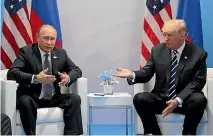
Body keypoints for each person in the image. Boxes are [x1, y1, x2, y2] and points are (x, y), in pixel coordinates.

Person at [114, 19, 207, 135]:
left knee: (199, 100)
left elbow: (198, 82)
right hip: (161, 99)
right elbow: (147, 73)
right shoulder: (157, 50)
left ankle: (188, 132)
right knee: (140, 98)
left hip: (184, 101)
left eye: (170, 35)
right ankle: (154, 133)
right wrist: (132, 74)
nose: (165, 38)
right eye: (164, 34)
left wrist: (178, 100)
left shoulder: (198, 54)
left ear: (182, 37)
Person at [7, 24, 83, 135]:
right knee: (24, 101)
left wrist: (68, 78)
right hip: (31, 97)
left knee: (75, 99)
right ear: (37, 37)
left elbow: (77, 70)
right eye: (46, 38)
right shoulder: (26, 52)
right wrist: (36, 78)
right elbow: (12, 73)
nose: (49, 43)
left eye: (52, 39)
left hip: (53, 97)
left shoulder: (61, 53)